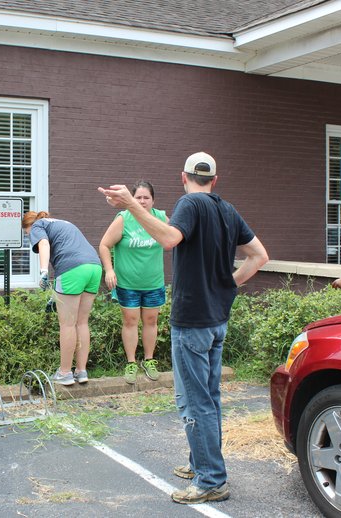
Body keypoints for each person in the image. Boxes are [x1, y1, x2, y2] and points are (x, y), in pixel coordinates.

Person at [99, 152, 269, 505]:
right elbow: (259, 256)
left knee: (195, 401)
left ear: (183, 177)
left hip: (192, 322)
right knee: (209, 397)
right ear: (215, 180)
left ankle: (212, 480)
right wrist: (228, 284)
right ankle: (200, 464)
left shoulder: (190, 203)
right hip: (216, 320)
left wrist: (130, 204)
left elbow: (169, 239)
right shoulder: (227, 209)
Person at [22, 211, 103, 386]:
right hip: (94, 267)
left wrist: (43, 271)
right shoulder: (61, 222)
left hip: (72, 269)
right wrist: (55, 295)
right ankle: (81, 371)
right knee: (82, 323)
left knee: (67, 324)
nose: (30, 237)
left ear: (29, 226)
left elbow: (44, 244)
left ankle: (64, 373)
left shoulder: (37, 225)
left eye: (27, 234)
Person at [99, 180, 168, 385]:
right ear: (132, 198)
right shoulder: (124, 218)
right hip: (128, 283)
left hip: (154, 282)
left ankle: (149, 360)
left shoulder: (160, 218)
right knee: (130, 321)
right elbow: (104, 245)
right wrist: (109, 270)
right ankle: (131, 363)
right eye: (138, 197)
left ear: (153, 200)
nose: (142, 201)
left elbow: (176, 237)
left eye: (146, 197)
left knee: (151, 321)